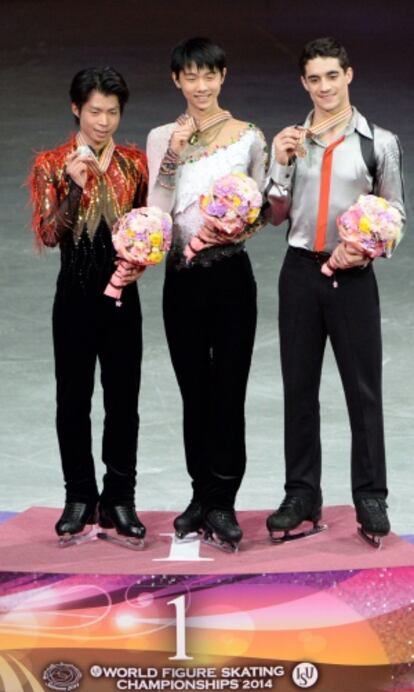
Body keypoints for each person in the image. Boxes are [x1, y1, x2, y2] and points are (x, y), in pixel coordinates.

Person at [266, 37, 405, 547]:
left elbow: (395, 215)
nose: (324, 87)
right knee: (298, 390)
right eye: (313, 78)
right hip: (300, 272)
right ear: (304, 83)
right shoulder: (292, 141)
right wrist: (279, 165)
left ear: (349, 75)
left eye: (332, 75)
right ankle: (301, 493)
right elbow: (275, 213)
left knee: (363, 391)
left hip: (352, 279)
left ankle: (371, 495)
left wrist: (364, 250)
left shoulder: (379, 142)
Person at [146, 37, 267, 551]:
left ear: (223, 76)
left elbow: (260, 208)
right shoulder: (160, 137)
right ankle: (200, 495)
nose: (200, 86)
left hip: (232, 277)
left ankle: (224, 502)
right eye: (190, 77)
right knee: (195, 393)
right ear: (177, 81)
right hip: (183, 278)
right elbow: (156, 204)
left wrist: (238, 228)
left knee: (229, 393)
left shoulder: (249, 137)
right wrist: (174, 153)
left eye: (209, 75)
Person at [29, 67, 148, 547]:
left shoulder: (135, 164)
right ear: (76, 109)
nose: (103, 122)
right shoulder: (51, 163)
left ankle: (120, 497)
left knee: (124, 403)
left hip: (123, 299)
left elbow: (147, 226)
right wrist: (75, 187)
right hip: (73, 301)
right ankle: (79, 496)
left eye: (113, 112)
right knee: (72, 402)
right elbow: (47, 233)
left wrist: (145, 258)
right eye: (94, 111)